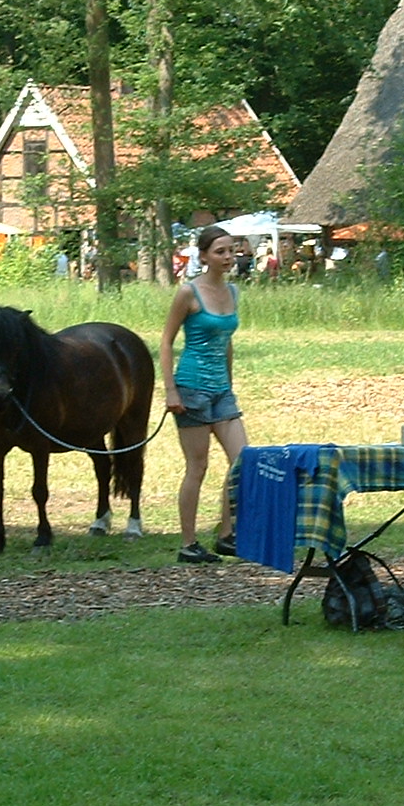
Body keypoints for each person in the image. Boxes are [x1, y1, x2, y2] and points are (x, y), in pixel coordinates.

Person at [160, 225, 247, 564]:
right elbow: (166, 341)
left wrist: (229, 382)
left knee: (243, 460)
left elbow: (227, 343)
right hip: (191, 389)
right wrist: (170, 390)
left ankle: (226, 534)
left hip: (221, 391)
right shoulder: (188, 293)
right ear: (204, 256)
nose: (228, 257)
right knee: (197, 466)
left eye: (231, 251)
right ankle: (188, 543)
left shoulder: (234, 293)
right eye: (220, 252)